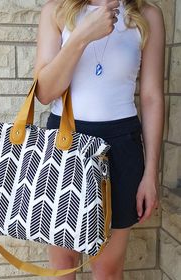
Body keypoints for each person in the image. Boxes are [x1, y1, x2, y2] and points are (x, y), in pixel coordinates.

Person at [33, 0, 165, 279]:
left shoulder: (146, 14)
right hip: (65, 143)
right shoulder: (56, 10)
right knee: (63, 265)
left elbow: (152, 97)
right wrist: (82, 35)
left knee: (107, 269)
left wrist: (151, 173)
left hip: (121, 145)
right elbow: (44, 92)